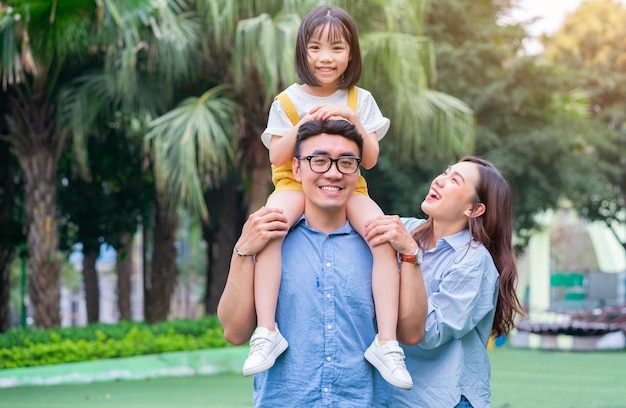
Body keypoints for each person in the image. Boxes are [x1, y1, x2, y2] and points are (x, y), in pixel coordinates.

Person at [245, 5, 409, 389]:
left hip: (347, 183)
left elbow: (368, 158)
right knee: (272, 224)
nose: (325, 57)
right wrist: (305, 122)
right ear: (303, 51)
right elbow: (276, 156)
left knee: (382, 236)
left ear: (351, 53)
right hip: (293, 181)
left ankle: (386, 342)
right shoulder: (287, 100)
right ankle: (266, 331)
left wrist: (349, 119)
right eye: (316, 47)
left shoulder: (359, 99)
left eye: (337, 48)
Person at [217, 119, 428, 406]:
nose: (333, 173)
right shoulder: (267, 241)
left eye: (346, 162)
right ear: (296, 168)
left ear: (357, 171)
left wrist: (411, 256)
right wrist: (241, 251)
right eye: (319, 161)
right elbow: (234, 332)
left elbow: (412, 334)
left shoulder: (382, 242)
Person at [363, 156, 527, 408]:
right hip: (389, 396)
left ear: (473, 210)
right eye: (444, 173)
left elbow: (428, 334)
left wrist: (410, 256)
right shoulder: (404, 230)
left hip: (441, 399)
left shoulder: (473, 262)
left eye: (454, 180)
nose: (439, 180)